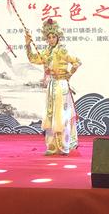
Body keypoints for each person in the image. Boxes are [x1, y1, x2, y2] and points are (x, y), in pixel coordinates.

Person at [25, 19, 81, 156]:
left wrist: (68, 74)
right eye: (49, 37)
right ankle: (52, 147)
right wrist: (28, 44)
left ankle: (64, 146)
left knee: (62, 116)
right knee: (50, 115)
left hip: (61, 86)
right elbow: (33, 58)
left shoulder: (62, 50)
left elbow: (77, 61)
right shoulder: (47, 52)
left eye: (53, 37)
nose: (51, 39)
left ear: (57, 37)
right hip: (51, 86)